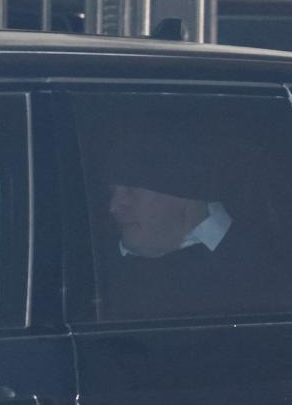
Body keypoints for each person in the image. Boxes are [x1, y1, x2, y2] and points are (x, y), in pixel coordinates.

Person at [100, 134, 271, 319]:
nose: (113, 207)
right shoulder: (93, 271)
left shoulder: (267, 272)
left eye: (132, 192)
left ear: (181, 194)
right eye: (113, 193)